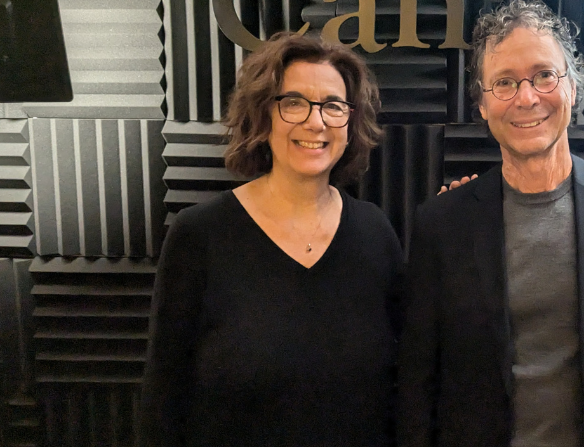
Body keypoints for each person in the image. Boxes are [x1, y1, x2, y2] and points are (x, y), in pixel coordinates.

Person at [397, 0, 584, 447]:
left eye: (544, 75)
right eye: (504, 82)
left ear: (573, 88)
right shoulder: (442, 224)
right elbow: (419, 386)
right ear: (481, 105)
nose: (527, 97)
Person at [141, 32, 403, 447]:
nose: (315, 121)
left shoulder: (376, 233)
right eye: (294, 102)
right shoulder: (200, 235)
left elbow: (400, 388)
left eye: (333, 106)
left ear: (349, 123)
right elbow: (163, 396)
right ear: (263, 116)